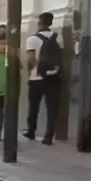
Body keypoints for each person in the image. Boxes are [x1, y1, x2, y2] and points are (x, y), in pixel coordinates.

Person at [24, 11, 62, 145]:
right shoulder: (58, 38)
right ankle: (49, 135)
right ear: (51, 23)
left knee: (34, 107)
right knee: (52, 108)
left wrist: (31, 73)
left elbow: (30, 60)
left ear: (39, 23)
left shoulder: (32, 39)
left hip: (37, 78)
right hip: (54, 77)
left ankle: (31, 131)